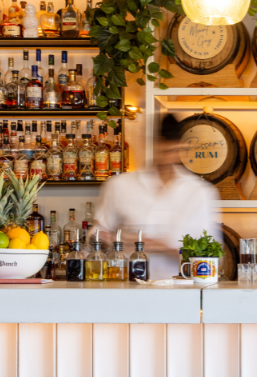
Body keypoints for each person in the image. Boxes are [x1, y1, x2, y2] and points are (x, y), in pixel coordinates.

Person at [92, 114, 219, 279]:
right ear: (152, 144)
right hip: (126, 288)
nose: (167, 156)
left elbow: (212, 257)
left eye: (172, 150)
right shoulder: (119, 185)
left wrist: (160, 247)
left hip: (180, 292)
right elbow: (95, 235)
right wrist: (107, 239)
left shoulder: (199, 192)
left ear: (181, 147)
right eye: (163, 149)